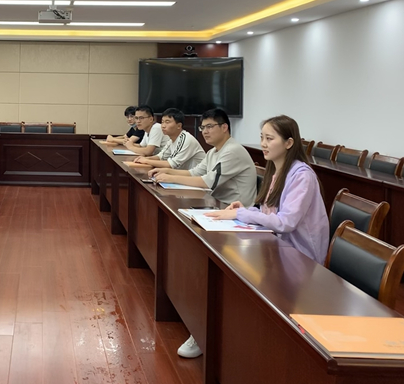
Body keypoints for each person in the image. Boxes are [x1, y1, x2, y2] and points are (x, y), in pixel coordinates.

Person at [150, 108, 256, 360]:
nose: (205, 131)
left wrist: (169, 176)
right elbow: (195, 173)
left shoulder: (232, 151)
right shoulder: (215, 151)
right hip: (219, 213)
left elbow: (207, 183)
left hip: (237, 224)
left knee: (198, 263)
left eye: (210, 127)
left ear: (224, 127)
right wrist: (166, 174)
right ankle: (191, 314)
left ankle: (201, 329)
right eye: (202, 127)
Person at [205, 115, 329, 263]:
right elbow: (270, 214)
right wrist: (247, 211)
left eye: (269, 139)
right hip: (279, 247)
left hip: (301, 257)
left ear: (289, 143)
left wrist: (241, 214)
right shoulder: (276, 171)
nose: (263, 144)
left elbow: (285, 222)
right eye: (262, 138)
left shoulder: (302, 176)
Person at [134, 108, 205, 170]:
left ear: (179, 126)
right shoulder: (171, 140)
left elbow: (171, 164)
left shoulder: (185, 139)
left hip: (196, 178)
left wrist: (147, 161)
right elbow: (161, 156)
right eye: (162, 122)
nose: (163, 126)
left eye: (167, 122)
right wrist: (143, 159)